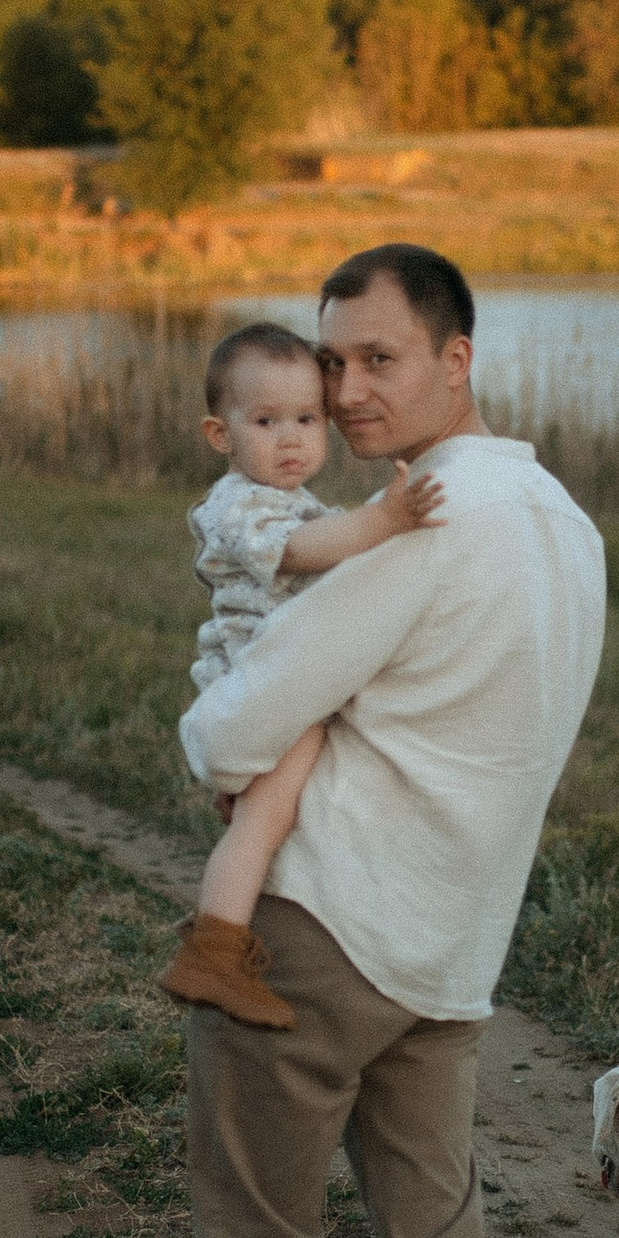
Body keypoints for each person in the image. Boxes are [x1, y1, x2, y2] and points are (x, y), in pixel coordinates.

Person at [140, 244, 607, 1238]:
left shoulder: (422, 526)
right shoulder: (567, 525)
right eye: (331, 362)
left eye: (377, 359)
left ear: (457, 357)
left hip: (313, 941)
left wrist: (223, 711)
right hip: (449, 959)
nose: (343, 393)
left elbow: (223, 739)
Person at [157, 318, 444, 1029]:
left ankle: (228, 913)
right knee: (265, 820)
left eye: (308, 419)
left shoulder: (290, 499)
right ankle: (214, 948)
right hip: (257, 684)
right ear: (220, 435)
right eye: (266, 420)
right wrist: (387, 517)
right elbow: (307, 550)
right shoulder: (240, 506)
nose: (290, 438)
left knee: (273, 806)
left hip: (280, 678)